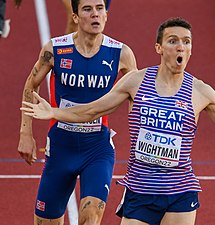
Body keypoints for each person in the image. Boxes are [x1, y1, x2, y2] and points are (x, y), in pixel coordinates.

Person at [21, 17, 215, 225]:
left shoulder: (200, 92)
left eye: (186, 41)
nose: (181, 46)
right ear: (159, 48)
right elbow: (91, 111)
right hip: (140, 192)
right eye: (173, 40)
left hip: (180, 192)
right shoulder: (134, 83)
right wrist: (54, 113)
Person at [17, 0, 137, 224]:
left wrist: (139, 140)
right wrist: (25, 133)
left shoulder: (121, 53)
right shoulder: (55, 49)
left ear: (106, 15)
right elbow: (30, 85)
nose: (95, 14)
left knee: (90, 216)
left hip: (97, 149)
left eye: (100, 8)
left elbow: (136, 97)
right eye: (87, 9)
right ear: (75, 17)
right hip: (61, 147)